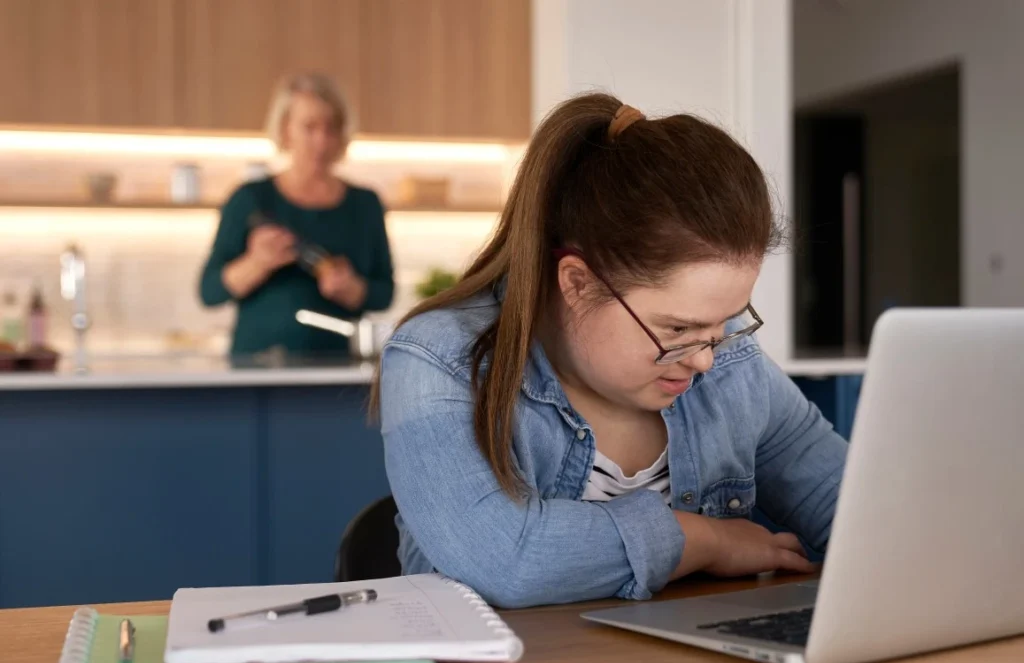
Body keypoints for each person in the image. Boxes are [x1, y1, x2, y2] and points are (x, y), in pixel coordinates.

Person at [372, 93, 848, 609]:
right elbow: (507, 560)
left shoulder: (732, 364)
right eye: (678, 329)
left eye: (723, 324)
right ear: (578, 283)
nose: (706, 359)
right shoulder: (437, 362)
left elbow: (852, 507)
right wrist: (702, 540)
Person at [199, 73, 394, 356]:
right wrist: (257, 263)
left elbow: (384, 294)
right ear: (285, 129)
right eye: (310, 127)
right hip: (256, 370)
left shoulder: (365, 205)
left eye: (331, 128)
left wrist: (352, 288)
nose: (321, 140)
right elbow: (209, 291)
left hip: (338, 371)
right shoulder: (249, 199)